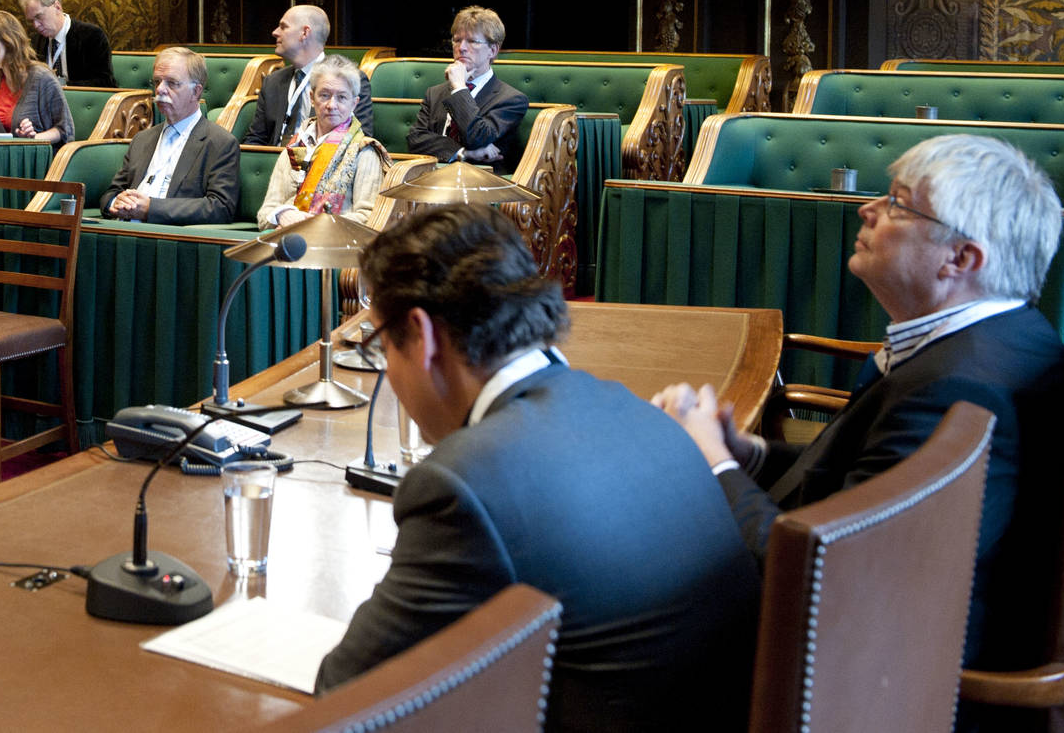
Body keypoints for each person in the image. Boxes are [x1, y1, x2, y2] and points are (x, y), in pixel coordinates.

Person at [316, 205, 759, 733]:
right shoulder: (638, 410)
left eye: (382, 345)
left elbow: (346, 696)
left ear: (422, 334)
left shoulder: (464, 483)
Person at [653, 133, 1064, 673]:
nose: (868, 208)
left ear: (961, 257)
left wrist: (713, 462)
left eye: (897, 204)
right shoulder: (1001, 338)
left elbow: (827, 576)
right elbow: (861, 484)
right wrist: (748, 453)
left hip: (870, 675)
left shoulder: (956, 390)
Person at [98, 47, 240, 225]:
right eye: (157, 82)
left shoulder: (220, 142)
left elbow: (220, 208)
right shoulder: (142, 139)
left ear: (196, 91)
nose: (160, 90)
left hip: (170, 239)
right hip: (124, 231)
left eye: (172, 83)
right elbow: (111, 193)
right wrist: (115, 203)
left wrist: (151, 209)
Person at [257, 55, 390, 228]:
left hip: (335, 248)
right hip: (287, 243)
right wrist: (282, 215)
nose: (331, 105)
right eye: (324, 95)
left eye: (342, 97)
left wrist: (313, 223)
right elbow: (264, 215)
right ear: (312, 98)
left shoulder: (364, 152)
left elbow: (369, 219)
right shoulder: (294, 147)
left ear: (354, 103)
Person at [405, 5, 529, 165]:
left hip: (483, 183)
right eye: (457, 40)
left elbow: (478, 137)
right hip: (434, 179)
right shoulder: (434, 93)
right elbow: (415, 139)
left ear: (492, 50)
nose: (461, 48)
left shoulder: (512, 99)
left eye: (472, 41)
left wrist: (459, 87)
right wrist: (464, 153)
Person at [243, 4, 373, 147]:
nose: (275, 32)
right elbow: (254, 141)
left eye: (283, 27)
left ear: (305, 33)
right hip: (275, 165)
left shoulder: (349, 79)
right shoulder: (272, 82)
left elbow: (359, 139)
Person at [0, 10, 75, 143]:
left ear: (8, 43)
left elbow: (64, 130)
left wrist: (32, 139)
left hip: (37, 158)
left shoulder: (42, 78)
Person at [19, 0, 114, 88]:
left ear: (57, 7)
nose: (36, 25)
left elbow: (105, 82)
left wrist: (62, 85)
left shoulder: (91, 36)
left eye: (39, 17)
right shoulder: (36, 41)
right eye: (31, 21)